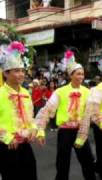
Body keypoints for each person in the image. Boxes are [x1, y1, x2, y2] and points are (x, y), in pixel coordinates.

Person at [35, 50, 96, 180]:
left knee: (88, 161)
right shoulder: (60, 91)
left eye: (82, 74)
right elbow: (47, 110)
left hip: (81, 130)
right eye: (78, 74)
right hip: (65, 132)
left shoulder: (87, 91)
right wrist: (40, 130)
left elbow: (91, 112)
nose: (81, 77)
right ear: (70, 75)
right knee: (63, 163)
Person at [0, 41, 38, 180]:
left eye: (22, 70)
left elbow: (31, 116)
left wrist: (33, 129)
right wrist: (6, 137)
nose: (21, 74)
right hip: (6, 146)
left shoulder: (26, 93)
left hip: (25, 144)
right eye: (16, 70)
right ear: (5, 73)